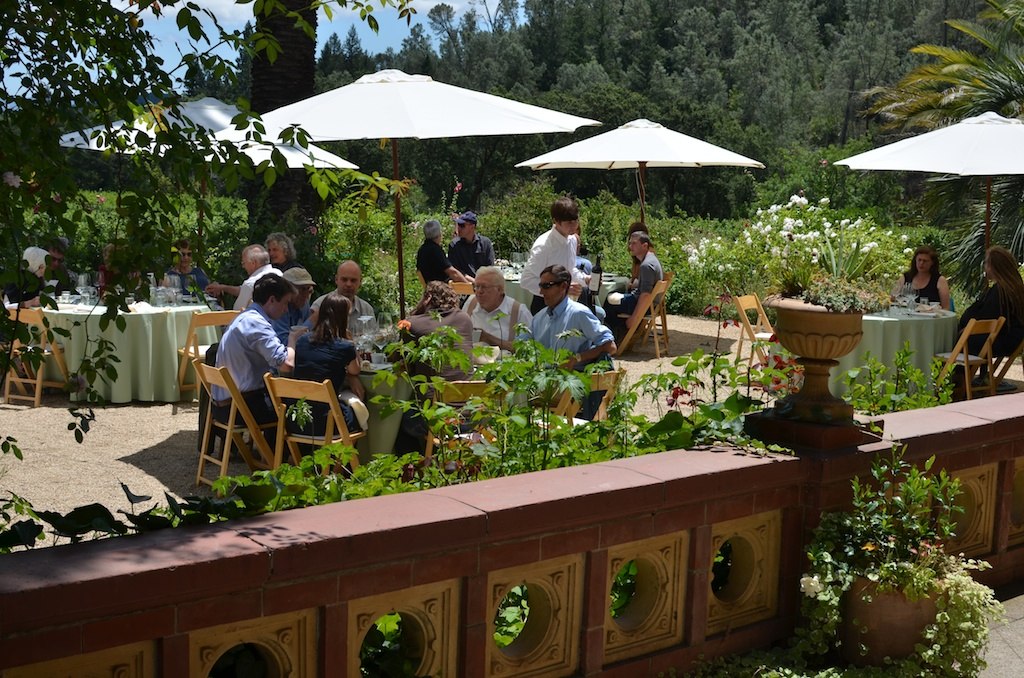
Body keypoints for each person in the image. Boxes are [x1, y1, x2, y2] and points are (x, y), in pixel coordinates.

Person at [212, 273, 302, 425]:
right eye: (285, 303)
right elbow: (286, 365)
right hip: (240, 408)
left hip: (224, 406)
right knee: (299, 410)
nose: (286, 309)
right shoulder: (256, 323)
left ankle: (271, 440)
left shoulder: (245, 316)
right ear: (272, 300)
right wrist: (292, 340)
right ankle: (278, 443)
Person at [528, 264, 616, 419]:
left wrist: (577, 358)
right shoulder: (539, 317)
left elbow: (610, 346)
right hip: (544, 380)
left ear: (563, 286)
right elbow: (523, 346)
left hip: (570, 383)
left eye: (546, 286)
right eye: (540, 286)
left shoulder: (578, 313)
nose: (541, 292)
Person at [292, 291, 365, 434]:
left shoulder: (302, 340)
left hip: (298, 420)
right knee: (359, 410)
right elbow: (355, 370)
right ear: (343, 318)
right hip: (328, 421)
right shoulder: (344, 346)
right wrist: (351, 341)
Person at [520, 197, 589, 314]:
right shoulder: (543, 246)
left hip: (565, 305)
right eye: (569, 223)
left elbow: (570, 269)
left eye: (576, 221)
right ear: (556, 221)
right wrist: (560, 290)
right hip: (544, 305)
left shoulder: (572, 240)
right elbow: (526, 280)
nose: (574, 226)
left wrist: (585, 279)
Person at [959, 246, 1024, 365]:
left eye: (986, 264)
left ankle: (956, 374)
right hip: (1015, 339)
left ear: (994, 267)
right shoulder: (1013, 287)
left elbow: (987, 318)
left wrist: (968, 329)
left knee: (961, 339)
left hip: (1003, 340)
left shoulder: (999, 291)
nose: (985, 267)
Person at [605, 232, 663, 341]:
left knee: (607, 303)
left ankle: (616, 337)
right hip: (652, 305)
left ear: (645, 245)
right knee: (614, 298)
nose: (630, 246)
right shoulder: (652, 259)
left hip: (645, 306)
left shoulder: (646, 265)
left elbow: (645, 295)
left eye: (634, 243)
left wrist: (634, 318)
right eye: (630, 243)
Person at [462, 266, 533, 352]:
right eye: (477, 286)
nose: (479, 291)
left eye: (484, 287)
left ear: (500, 289)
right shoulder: (471, 303)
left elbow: (527, 349)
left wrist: (488, 339)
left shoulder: (518, 312)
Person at [206, 244, 282, 311]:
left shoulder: (251, 283)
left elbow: (237, 311)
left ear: (253, 263)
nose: (243, 266)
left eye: (244, 263)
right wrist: (222, 287)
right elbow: (243, 290)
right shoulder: (279, 274)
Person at [897, 245, 950, 310]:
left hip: (932, 315)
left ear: (932, 263)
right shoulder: (905, 277)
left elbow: (946, 308)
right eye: (919, 260)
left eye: (925, 261)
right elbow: (893, 297)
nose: (921, 263)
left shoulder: (940, 280)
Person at [272, 267, 316, 343]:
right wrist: (312, 321)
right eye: (302, 289)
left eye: (308, 289)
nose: (306, 295)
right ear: (286, 289)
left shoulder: (304, 303)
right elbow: (283, 342)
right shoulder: (278, 307)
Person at [417, 219, 469, 284]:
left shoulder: (422, 249)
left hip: (430, 286)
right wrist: (469, 286)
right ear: (439, 234)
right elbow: (453, 273)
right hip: (441, 287)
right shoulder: (435, 250)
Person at [447, 211, 494, 281]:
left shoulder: (486, 243)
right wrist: (474, 281)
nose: (458, 228)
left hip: (484, 283)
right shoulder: (454, 245)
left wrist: (482, 283)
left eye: (462, 225)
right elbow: (455, 271)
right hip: (463, 284)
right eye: (458, 225)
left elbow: (490, 268)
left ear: (472, 227)